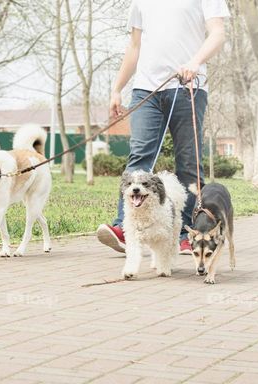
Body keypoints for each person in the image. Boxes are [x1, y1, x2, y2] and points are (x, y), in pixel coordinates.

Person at [96, 0, 229, 255]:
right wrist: (117, 88)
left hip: (188, 87)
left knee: (189, 163)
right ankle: (126, 227)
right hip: (147, 90)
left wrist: (195, 61)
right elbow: (134, 46)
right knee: (140, 157)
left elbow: (218, 33)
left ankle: (187, 233)